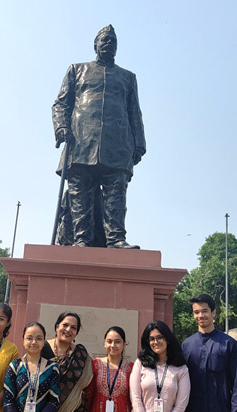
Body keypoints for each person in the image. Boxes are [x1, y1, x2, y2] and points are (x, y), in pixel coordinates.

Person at [52, 24, 146, 249]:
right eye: (105, 41)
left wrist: (139, 144)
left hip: (117, 143)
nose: (109, 45)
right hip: (81, 141)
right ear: (95, 45)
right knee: (79, 191)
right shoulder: (77, 69)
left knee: (116, 193)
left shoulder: (127, 77)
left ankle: (116, 239)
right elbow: (61, 103)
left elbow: (135, 112)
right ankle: (81, 239)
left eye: (113, 42)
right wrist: (61, 127)